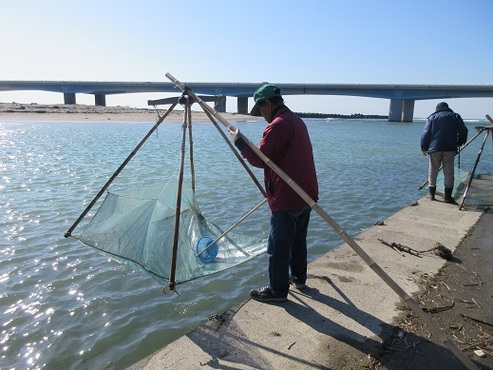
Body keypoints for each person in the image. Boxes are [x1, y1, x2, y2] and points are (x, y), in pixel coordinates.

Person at [230, 84, 319, 303]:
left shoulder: (278, 125)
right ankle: (298, 278)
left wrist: (240, 143)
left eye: (261, 110)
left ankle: (278, 290)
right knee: (298, 240)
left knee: (278, 246)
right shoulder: (296, 121)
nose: (262, 116)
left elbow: (261, 160)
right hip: (305, 193)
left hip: (288, 196)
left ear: (267, 104)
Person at [421, 102, 468, 203]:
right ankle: (447, 197)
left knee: (433, 171)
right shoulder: (455, 116)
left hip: (434, 149)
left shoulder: (432, 117)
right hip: (450, 148)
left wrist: (423, 147)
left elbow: (426, 133)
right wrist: (460, 142)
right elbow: (463, 130)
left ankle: (431, 195)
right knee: (449, 172)